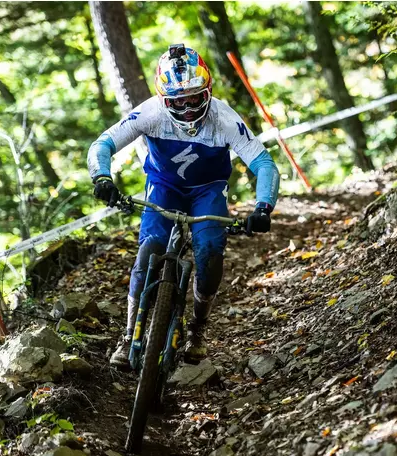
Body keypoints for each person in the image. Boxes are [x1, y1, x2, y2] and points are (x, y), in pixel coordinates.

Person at [87, 44, 280, 367]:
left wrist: (263, 207)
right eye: (178, 101)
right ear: (164, 99)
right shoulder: (150, 113)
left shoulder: (224, 118)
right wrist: (102, 178)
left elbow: (263, 163)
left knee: (210, 251)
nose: (188, 108)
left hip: (208, 189)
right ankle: (129, 334)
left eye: (194, 98)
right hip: (164, 187)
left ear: (208, 91)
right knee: (150, 249)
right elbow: (102, 144)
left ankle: (198, 329)